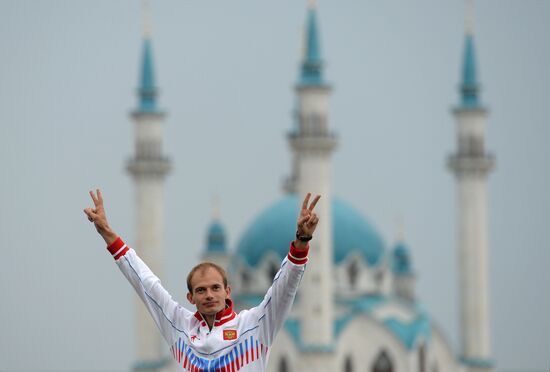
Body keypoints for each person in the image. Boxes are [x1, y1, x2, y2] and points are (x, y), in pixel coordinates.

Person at [84, 189, 320, 372]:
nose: (209, 295)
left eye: (216, 288)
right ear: (191, 297)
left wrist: (302, 239)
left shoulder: (254, 326)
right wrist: (107, 233)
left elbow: (285, 287)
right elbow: (145, 282)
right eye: (201, 290)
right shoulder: (179, 326)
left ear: (228, 291)